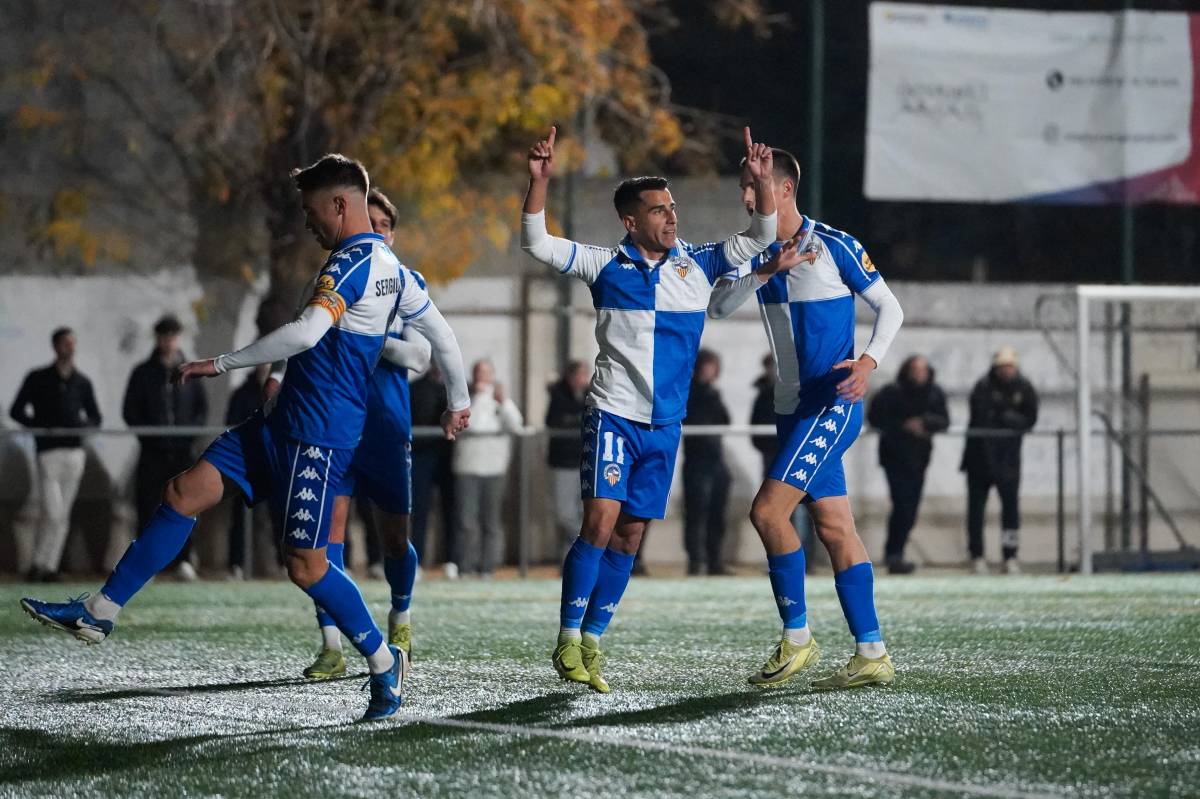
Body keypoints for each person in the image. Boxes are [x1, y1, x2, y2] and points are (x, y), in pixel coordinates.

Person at [22, 154, 470, 722]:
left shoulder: (354, 263)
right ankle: (100, 609)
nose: (308, 223)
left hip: (317, 436)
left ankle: (384, 665)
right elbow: (443, 338)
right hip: (280, 424)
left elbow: (308, 332)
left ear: (339, 204)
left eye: (312, 211)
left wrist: (221, 362)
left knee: (306, 566)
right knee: (183, 492)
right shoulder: (390, 268)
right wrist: (459, 400)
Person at [522, 125, 778, 693]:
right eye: (658, 210)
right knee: (600, 521)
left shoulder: (701, 264)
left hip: (666, 426)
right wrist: (539, 182)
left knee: (632, 535)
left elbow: (762, 235)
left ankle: (592, 640)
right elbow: (538, 243)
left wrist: (762, 185)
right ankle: (566, 638)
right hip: (613, 415)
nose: (671, 217)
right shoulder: (603, 265)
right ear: (630, 221)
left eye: (672, 207)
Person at [708, 146, 904, 689]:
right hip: (791, 412)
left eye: (755, 186)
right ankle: (871, 654)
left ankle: (797, 639)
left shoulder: (835, 244)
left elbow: (891, 307)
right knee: (836, 526)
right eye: (745, 188)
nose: (747, 197)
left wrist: (868, 362)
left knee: (768, 513)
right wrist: (765, 267)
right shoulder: (755, 253)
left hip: (832, 405)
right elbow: (717, 306)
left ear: (785, 189)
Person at [299, 186, 466, 680]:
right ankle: (332, 645)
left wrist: (361, 334)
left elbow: (419, 355)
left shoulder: (404, 283)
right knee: (327, 539)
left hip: (386, 429)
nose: (372, 233)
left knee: (395, 540)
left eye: (381, 226)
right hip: (333, 423)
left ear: (391, 235)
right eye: (365, 223)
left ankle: (401, 620)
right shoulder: (333, 279)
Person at [9, 327, 102, 581]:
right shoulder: (38, 378)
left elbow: (95, 416)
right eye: (64, 343)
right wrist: (39, 426)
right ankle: (39, 563)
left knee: (62, 513)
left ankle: (47, 566)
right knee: (53, 512)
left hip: (74, 452)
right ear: (55, 346)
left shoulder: (82, 382)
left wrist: (82, 428)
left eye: (72, 343)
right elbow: (16, 410)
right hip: (48, 451)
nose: (69, 348)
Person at [123, 315, 209, 581]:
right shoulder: (143, 373)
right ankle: (146, 564)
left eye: (172, 336)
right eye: (164, 336)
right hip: (153, 452)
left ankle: (184, 559)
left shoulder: (190, 372)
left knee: (185, 506)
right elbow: (130, 411)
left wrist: (188, 437)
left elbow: (201, 409)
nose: (168, 342)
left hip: (183, 453)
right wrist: (153, 438)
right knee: (148, 506)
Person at [866, 354, 949, 575]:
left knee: (910, 508)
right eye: (915, 370)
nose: (919, 374)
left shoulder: (934, 393)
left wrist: (925, 423)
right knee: (902, 505)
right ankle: (894, 553)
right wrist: (904, 426)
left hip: (920, 458)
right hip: (894, 457)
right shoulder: (891, 393)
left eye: (922, 370)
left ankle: (896, 551)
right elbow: (875, 418)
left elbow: (944, 421)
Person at [961, 346, 1038, 575]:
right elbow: (983, 417)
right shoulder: (983, 387)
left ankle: (1010, 554)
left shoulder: (1024, 388)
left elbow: (1029, 419)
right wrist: (1007, 418)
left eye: (1009, 366)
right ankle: (977, 555)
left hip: (1008, 461)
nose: (1006, 371)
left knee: (1011, 511)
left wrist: (1004, 416)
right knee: (976, 511)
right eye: (1003, 367)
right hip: (980, 460)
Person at [453, 360, 524, 578]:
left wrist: (503, 402)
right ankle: (466, 566)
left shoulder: (501, 401)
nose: (482, 377)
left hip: (494, 468)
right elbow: (465, 425)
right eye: (478, 373)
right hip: (467, 466)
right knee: (466, 520)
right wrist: (474, 399)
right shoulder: (463, 398)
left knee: (491, 522)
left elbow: (516, 424)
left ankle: (487, 567)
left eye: (486, 373)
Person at [750, 354, 815, 567]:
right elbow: (756, 431)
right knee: (774, 512)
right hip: (774, 459)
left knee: (803, 510)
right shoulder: (764, 396)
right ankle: (788, 561)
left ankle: (805, 559)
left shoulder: (801, 391)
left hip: (797, 459)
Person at [681, 349, 732, 576]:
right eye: (706, 366)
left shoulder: (714, 393)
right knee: (696, 513)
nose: (710, 371)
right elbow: (695, 418)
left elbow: (725, 420)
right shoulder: (690, 393)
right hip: (696, 461)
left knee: (717, 514)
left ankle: (715, 560)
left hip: (716, 460)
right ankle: (696, 561)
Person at [409, 362, 459, 576]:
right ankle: (417, 561)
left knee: (451, 512)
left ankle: (451, 560)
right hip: (421, 456)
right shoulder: (416, 388)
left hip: (448, 458)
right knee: (419, 511)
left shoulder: (455, 389)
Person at [224, 364, 270, 579]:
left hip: (275, 462)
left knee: (279, 516)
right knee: (241, 516)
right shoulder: (243, 394)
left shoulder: (286, 387)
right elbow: (232, 423)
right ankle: (237, 564)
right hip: (247, 463)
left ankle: (280, 564)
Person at [545, 361, 589, 561]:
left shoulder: (591, 394)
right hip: (563, 462)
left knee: (584, 512)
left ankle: (570, 560)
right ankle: (585, 540)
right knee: (564, 513)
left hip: (585, 462)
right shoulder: (558, 394)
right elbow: (554, 420)